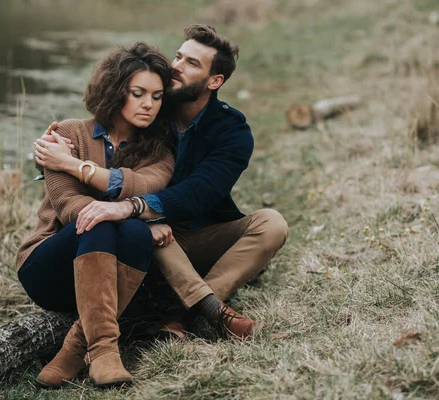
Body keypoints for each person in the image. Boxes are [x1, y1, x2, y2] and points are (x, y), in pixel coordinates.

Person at [40, 24, 288, 342]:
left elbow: (198, 193)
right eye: (178, 56)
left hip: (196, 233)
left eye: (191, 63)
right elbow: (101, 136)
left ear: (215, 81)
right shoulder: (151, 107)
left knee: (273, 223)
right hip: (139, 238)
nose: (176, 67)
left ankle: (184, 311)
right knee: (148, 231)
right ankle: (215, 311)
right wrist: (52, 152)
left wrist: (137, 207)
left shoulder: (232, 131)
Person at [16, 42, 175, 388]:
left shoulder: (159, 152)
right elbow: (67, 206)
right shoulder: (67, 134)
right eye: (138, 93)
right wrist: (127, 213)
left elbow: (146, 184)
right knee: (101, 223)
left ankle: (77, 349)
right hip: (49, 268)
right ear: (117, 91)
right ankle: (102, 350)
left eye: (157, 96)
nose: (149, 104)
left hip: (105, 276)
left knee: (131, 234)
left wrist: (76, 166)